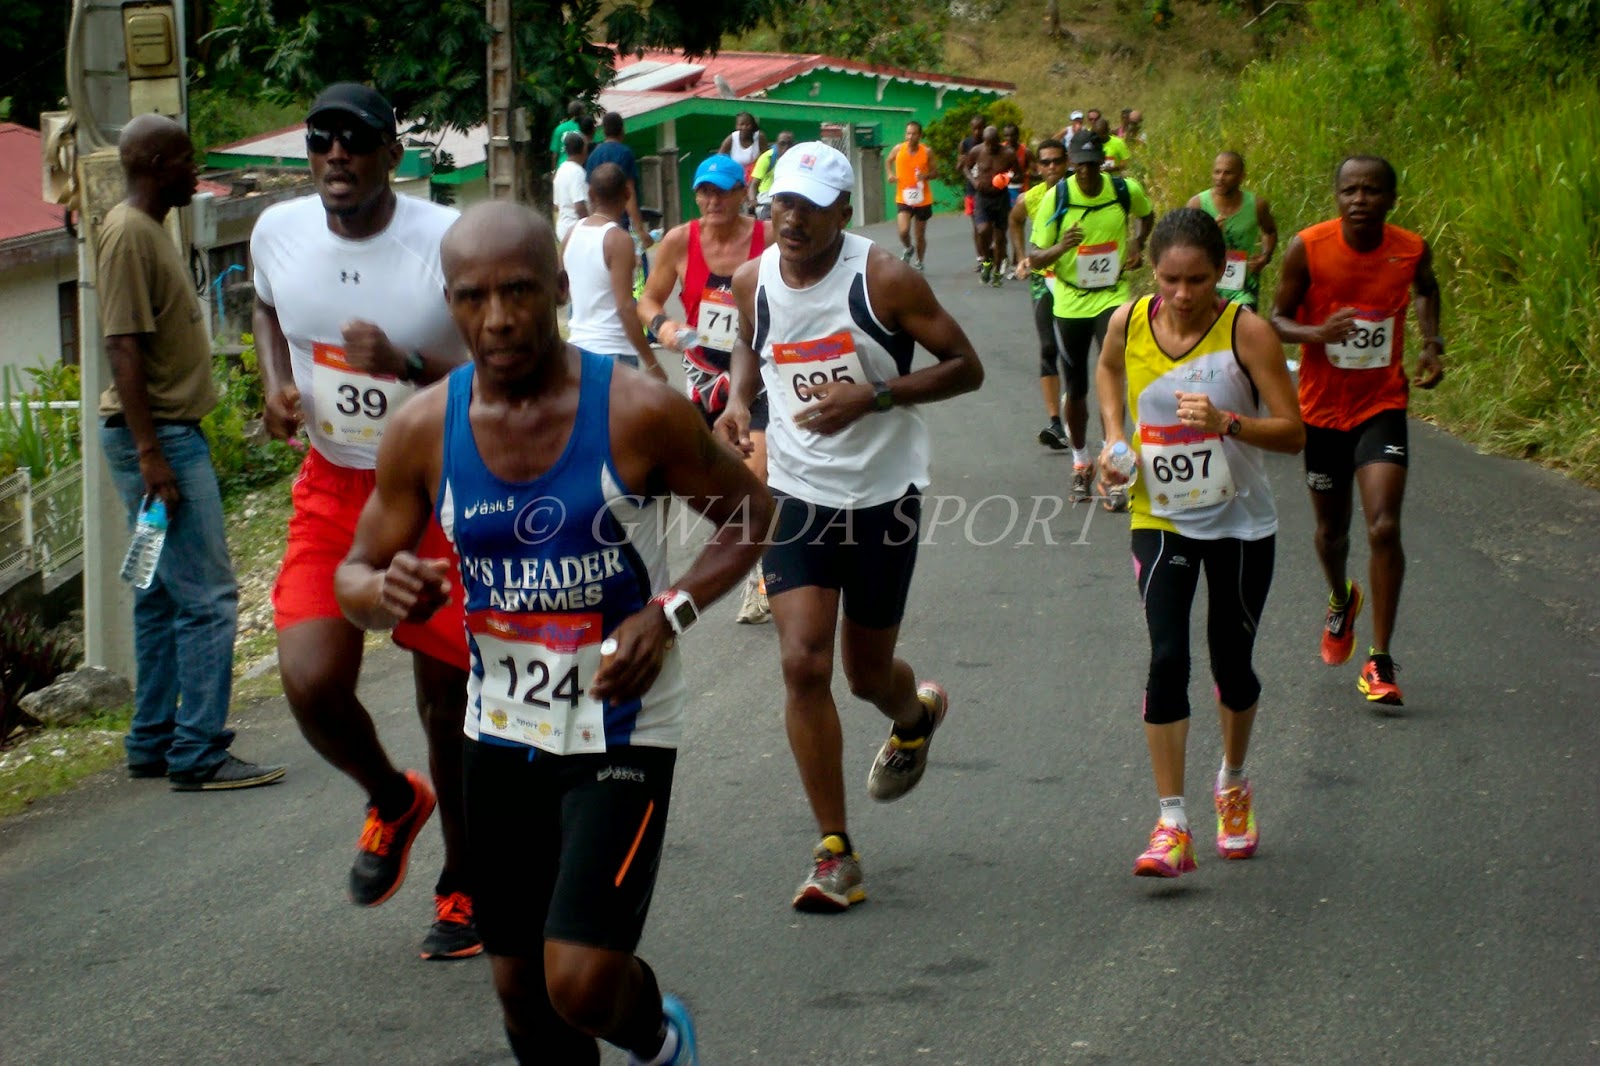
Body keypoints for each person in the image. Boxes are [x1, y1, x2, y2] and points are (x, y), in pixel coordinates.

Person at [335, 200, 770, 1066]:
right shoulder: (423, 430)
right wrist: (382, 591)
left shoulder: (638, 411)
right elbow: (352, 574)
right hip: (500, 733)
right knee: (521, 996)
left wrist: (669, 612)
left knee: (580, 983)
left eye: (519, 291)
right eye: (473, 297)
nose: (497, 318)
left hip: (621, 725)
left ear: (561, 290)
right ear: (450, 305)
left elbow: (754, 513)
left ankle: (658, 1040)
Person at [715, 142, 985, 912]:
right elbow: (748, 342)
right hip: (798, 494)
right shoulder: (752, 279)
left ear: (843, 211)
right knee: (803, 662)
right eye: (782, 203)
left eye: (810, 207)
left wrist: (875, 395)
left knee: (866, 676)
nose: (792, 219)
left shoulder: (884, 279)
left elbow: (966, 366)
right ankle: (835, 850)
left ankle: (915, 715)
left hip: (883, 497)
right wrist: (737, 400)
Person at [251, 83, 478, 960]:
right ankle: (392, 797)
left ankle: (466, 882)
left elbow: (503, 359)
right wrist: (277, 382)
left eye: (354, 139)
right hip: (336, 483)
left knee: (445, 701)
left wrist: (408, 362)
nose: (336, 154)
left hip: (438, 483)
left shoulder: (444, 242)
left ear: (393, 152)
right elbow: (269, 306)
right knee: (310, 682)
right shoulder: (278, 231)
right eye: (321, 140)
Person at [1095, 207, 1305, 878]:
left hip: (1240, 522)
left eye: (1198, 280)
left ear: (1222, 273)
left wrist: (1227, 423)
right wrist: (1114, 436)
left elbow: (1294, 432)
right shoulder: (1129, 320)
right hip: (1160, 515)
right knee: (1166, 657)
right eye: (1170, 279)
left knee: (1232, 665)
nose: (1183, 294)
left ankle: (1233, 782)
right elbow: (1107, 370)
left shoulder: (1248, 332)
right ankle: (1172, 823)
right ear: (1151, 273)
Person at [96, 115, 285, 793]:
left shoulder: (148, 229)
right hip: (161, 438)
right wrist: (151, 453)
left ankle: (152, 738)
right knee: (209, 598)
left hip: (163, 435)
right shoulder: (128, 234)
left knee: (161, 596)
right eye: (183, 158)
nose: (194, 169)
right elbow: (122, 345)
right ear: (154, 165)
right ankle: (199, 749)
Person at [1270, 155, 1445, 707]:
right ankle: (1341, 597)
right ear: (1337, 196)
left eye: (1372, 190)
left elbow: (1426, 289)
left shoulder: (1410, 248)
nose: (1360, 199)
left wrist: (1432, 343)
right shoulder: (1308, 247)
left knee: (1384, 526)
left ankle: (1380, 658)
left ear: (1391, 199)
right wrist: (1316, 333)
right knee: (1331, 534)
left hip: (1381, 404)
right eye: (1350, 190)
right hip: (1322, 410)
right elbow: (1275, 319)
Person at [637, 153, 776, 624]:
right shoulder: (680, 240)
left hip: (756, 373)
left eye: (722, 192)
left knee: (755, 477)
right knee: (699, 485)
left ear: (742, 194)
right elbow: (647, 298)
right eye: (704, 192)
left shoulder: (766, 238)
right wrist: (662, 324)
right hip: (702, 378)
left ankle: (759, 581)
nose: (713, 201)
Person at [1025, 129, 1153, 499]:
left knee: (1113, 374)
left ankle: (1115, 462)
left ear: (1102, 163)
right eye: (1079, 165)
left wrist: (1137, 243)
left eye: (1092, 165)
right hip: (1070, 300)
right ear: (1071, 164)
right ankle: (1081, 462)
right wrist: (1061, 247)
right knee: (1077, 386)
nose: (1085, 172)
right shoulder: (1058, 197)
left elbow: (1147, 215)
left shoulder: (1124, 190)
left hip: (1112, 295)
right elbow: (1035, 257)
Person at [563, 163, 668, 380]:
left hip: (577, 349)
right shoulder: (618, 240)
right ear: (627, 194)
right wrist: (652, 363)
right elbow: (625, 307)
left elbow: (560, 290)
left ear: (590, 194)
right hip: (613, 351)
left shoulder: (571, 233)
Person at [1006, 138, 1071, 449]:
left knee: (1074, 350)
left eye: (1057, 161)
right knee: (1048, 347)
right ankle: (1055, 423)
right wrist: (1022, 257)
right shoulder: (1030, 198)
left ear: (1067, 163)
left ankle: (1077, 410)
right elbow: (1014, 220)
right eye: (1045, 162)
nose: (1052, 167)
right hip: (1042, 279)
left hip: (1075, 282)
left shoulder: (1078, 192)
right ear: (1038, 167)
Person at [1187, 151, 1277, 308]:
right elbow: (1184, 244)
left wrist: (1265, 256)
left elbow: (1269, 231)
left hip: (1244, 288)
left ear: (1242, 177)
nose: (1220, 178)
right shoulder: (1197, 204)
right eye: (1217, 172)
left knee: (1241, 322)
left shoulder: (1257, 205)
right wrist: (1209, 233)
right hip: (1206, 286)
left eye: (1227, 173)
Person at [586, 112, 653, 252]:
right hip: (622, 220)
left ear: (603, 131)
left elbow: (590, 194)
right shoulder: (625, 153)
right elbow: (629, 192)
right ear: (622, 130)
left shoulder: (593, 156)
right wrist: (640, 230)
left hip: (600, 222)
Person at [961, 125, 1018, 287]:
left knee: (1000, 239)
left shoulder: (1008, 154)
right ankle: (987, 261)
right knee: (982, 230)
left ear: (998, 141)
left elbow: (1018, 173)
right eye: (987, 143)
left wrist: (1006, 178)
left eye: (993, 143)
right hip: (982, 197)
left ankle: (997, 273)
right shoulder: (977, 151)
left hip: (1001, 198)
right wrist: (974, 181)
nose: (990, 147)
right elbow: (966, 168)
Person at [884, 120, 937, 271]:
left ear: (920, 135)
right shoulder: (898, 149)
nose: (910, 137)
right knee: (903, 231)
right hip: (904, 197)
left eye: (914, 134)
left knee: (920, 235)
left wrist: (925, 176)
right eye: (908, 133)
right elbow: (888, 161)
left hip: (922, 199)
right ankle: (908, 248)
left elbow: (935, 172)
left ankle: (919, 261)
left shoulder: (927, 152)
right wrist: (890, 174)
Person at [959, 114, 986, 272]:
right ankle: (981, 258)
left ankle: (994, 255)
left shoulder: (990, 143)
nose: (977, 132)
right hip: (972, 190)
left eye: (980, 128)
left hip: (989, 191)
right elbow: (960, 166)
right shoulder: (966, 143)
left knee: (989, 227)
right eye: (974, 128)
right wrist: (962, 161)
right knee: (977, 227)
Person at [1001, 123, 1029, 272]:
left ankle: (1017, 258)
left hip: (1019, 191)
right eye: (1006, 135)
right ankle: (1003, 256)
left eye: (1012, 135)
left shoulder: (1025, 151)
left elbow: (1034, 170)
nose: (1009, 138)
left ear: (1017, 135)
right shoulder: (1000, 149)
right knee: (1002, 225)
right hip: (1002, 191)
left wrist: (1023, 175)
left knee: (1017, 224)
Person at [747, 130, 794, 220]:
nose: (786, 147)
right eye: (782, 143)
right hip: (767, 199)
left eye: (789, 144)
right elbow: (753, 184)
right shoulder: (767, 157)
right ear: (777, 144)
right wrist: (752, 200)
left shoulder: (796, 160)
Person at [552, 131, 590, 244]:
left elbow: (556, 205)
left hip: (563, 229)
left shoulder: (561, 170)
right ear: (583, 149)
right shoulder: (577, 172)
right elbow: (579, 206)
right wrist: (590, 227)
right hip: (576, 231)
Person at [718, 111, 768, 187]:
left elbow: (767, 156)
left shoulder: (760, 137)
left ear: (752, 126)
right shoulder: (732, 138)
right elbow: (719, 157)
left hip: (755, 175)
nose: (744, 127)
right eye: (741, 124)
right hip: (736, 175)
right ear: (736, 126)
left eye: (747, 125)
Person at [550, 100, 586, 169]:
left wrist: (553, 171)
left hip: (562, 166)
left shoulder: (559, 128)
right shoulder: (585, 127)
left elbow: (555, 154)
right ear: (582, 111)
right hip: (580, 166)